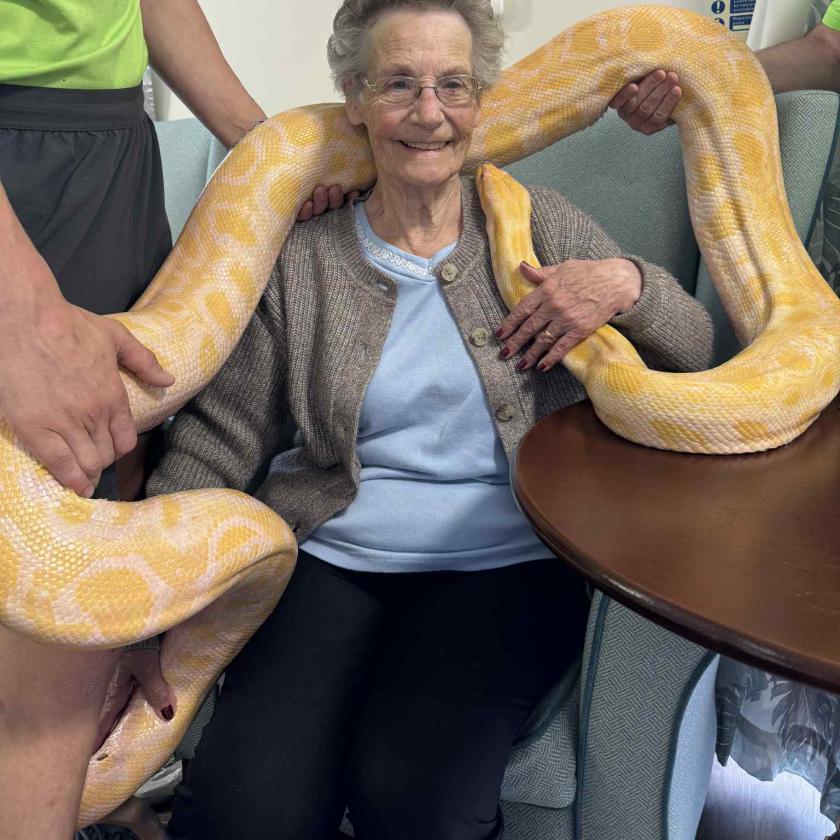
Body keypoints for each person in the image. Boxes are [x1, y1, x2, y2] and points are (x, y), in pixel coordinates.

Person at [141, 2, 714, 838]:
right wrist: (151, 600)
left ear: (482, 99)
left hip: (508, 563)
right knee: (242, 810)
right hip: (331, 554)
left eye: (454, 85)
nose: (429, 112)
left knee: (418, 804)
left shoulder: (537, 222)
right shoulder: (303, 253)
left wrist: (626, 282)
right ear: (356, 101)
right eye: (399, 84)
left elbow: (693, 351)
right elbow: (220, 435)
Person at [0, 2, 343, 837]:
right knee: (56, 545)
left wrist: (264, 147)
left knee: (94, 504)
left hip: (106, 144)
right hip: (21, 145)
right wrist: (19, 305)